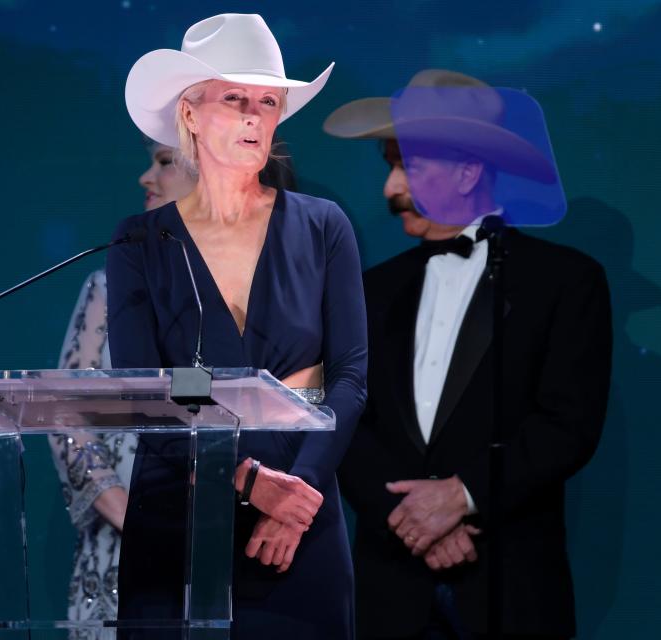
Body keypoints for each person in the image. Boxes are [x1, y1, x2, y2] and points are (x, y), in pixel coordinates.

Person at [324, 69, 612, 639]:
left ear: (468, 171)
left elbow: (567, 424)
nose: (390, 189)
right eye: (390, 167)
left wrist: (461, 496)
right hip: (390, 590)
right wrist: (414, 522)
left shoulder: (564, 281)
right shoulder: (369, 290)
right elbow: (345, 417)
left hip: (510, 585)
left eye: (407, 167)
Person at [107, 13, 367, 639]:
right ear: (190, 114)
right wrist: (249, 482)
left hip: (302, 500)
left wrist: (295, 497)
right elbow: (143, 394)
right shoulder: (141, 240)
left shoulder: (323, 225)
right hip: (180, 496)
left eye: (268, 102)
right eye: (235, 98)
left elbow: (351, 377)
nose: (255, 115)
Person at [49, 141, 195, 639]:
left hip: (223, 549)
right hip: (118, 553)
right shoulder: (108, 285)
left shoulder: (259, 285)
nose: (145, 177)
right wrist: (131, 518)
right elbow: (63, 415)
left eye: (164, 161)